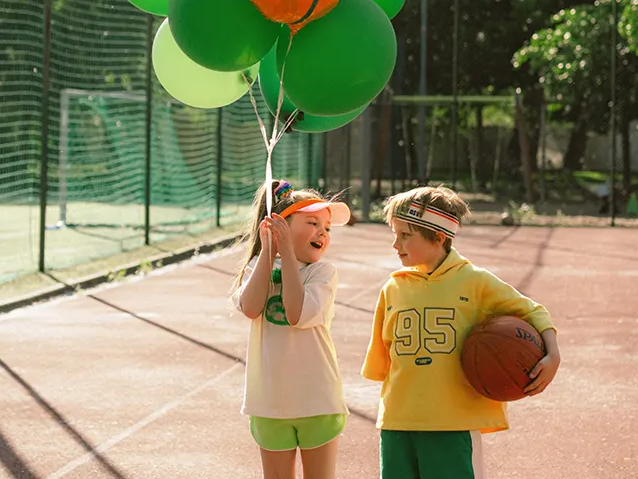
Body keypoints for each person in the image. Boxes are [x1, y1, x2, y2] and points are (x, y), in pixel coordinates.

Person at [362, 185, 561, 479]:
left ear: (438, 237)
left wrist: (552, 355)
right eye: (394, 233)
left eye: (405, 235)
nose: (395, 243)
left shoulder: (475, 282)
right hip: (396, 421)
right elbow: (383, 364)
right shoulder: (393, 289)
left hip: (451, 423)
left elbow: (534, 311)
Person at [232, 179, 352, 479]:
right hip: (269, 402)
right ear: (280, 226)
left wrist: (285, 252)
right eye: (312, 223)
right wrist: (270, 249)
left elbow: (296, 312)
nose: (322, 232)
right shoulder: (258, 268)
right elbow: (250, 307)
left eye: (327, 227)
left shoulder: (323, 273)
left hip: (317, 400)